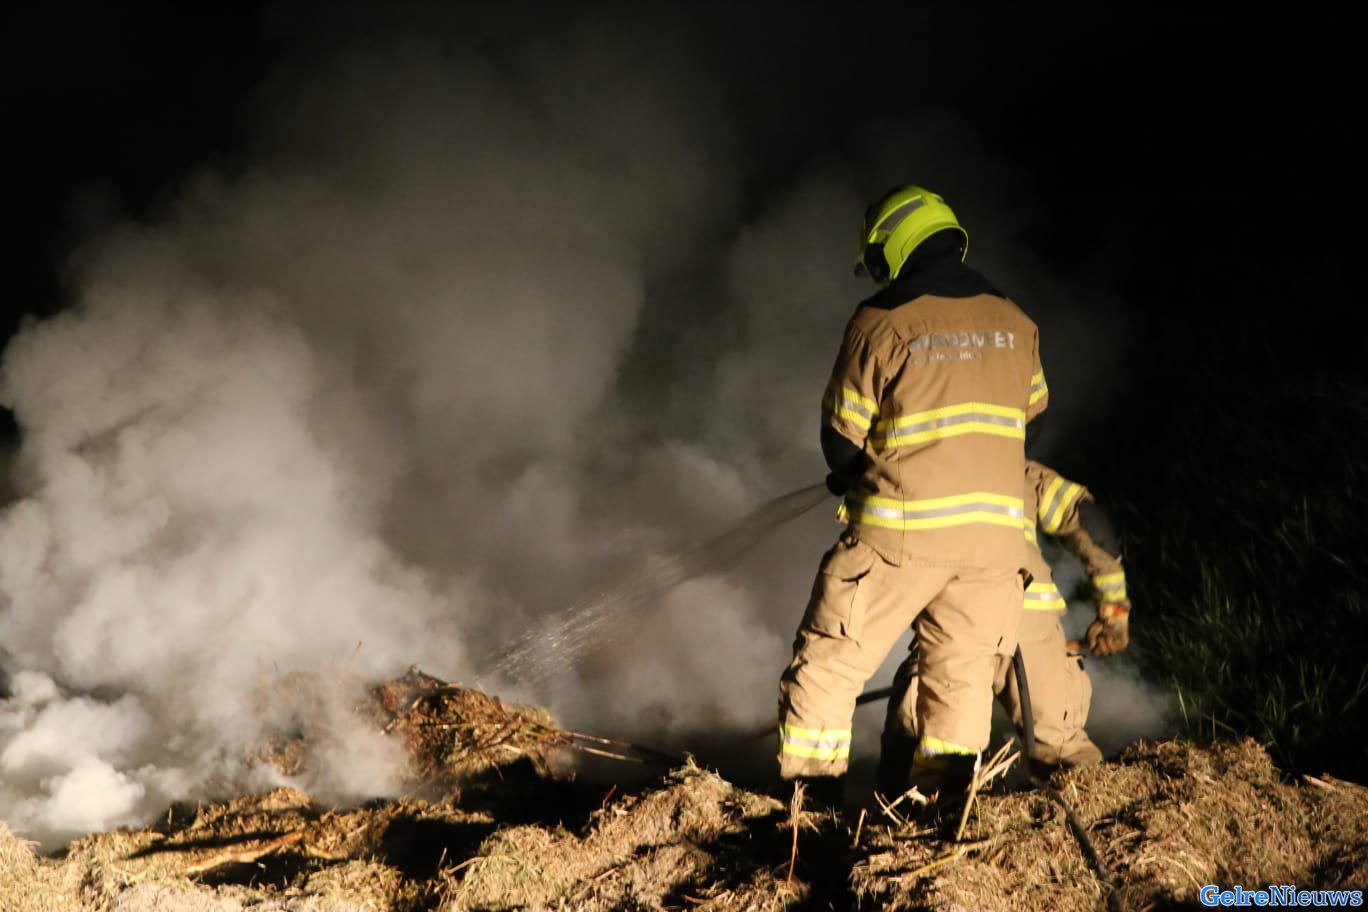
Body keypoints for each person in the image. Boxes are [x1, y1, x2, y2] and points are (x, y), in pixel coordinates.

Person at [777, 185, 1047, 810]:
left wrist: (858, 471)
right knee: (960, 685)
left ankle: (807, 820)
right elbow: (1028, 420)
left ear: (892, 246)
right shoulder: (1018, 322)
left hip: (900, 537)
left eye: (874, 259)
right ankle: (940, 817)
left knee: (830, 665)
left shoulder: (883, 322)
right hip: (995, 547)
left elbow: (840, 444)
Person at [877, 459, 1131, 795]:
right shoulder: (1020, 469)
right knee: (1063, 750)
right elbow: (1088, 519)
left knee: (923, 748)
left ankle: (912, 821)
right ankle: (1096, 815)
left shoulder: (914, 459)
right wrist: (1113, 608)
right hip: (1027, 617)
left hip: (952, 623)